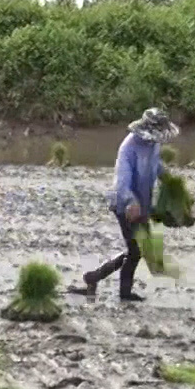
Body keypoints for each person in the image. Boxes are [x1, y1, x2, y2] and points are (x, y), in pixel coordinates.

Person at [69, 107, 179, 303]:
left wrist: (169, 179)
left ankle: (94, 278)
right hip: (125, 205)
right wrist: (131, 203)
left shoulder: (152, 144)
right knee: (135, 251)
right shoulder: (128, 148)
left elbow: (156, 165)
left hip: (143, 203)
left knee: (137, 250)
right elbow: (122, 182)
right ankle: (123, 293)